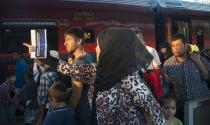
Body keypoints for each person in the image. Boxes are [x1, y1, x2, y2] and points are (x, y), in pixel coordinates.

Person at [24, 27, 166, 124]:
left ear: (110, 49)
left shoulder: (131, 79)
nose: (96, 48)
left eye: (100, 45)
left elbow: (156, 113)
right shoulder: (95, 71)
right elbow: (67, 68)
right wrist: (38, 53)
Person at [162, 34, 210, 122]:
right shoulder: (167, 65)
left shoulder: (199, 58)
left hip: (201, 105)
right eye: (173, 46)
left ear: (185, 45)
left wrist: (198, 62)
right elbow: (166, 87)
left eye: (179, 45)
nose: (175, 48)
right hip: (181, 108)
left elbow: (208, 77)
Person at [64, 27, 94, 125]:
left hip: (81, 112)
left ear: (79, 41)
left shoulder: (79, 63)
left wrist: (68, 112)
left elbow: (77, 95)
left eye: (68, 39)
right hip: (89, 109)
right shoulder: (88, 56)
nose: (65, 43)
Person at [131, 27, 163, 99]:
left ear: (142, 37)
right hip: (134, 85)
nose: (138, 39)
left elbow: (157, 69)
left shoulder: (151, 50)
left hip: (148, 85)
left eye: (140, 37)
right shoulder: (127, 52)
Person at [35, 59, 60, 125]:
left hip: (51, 108)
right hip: (58, 106)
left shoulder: (45, 76)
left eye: (37, 58)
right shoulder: (54, 71)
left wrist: (40, 119)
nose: (35, 60)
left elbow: (43, 100)